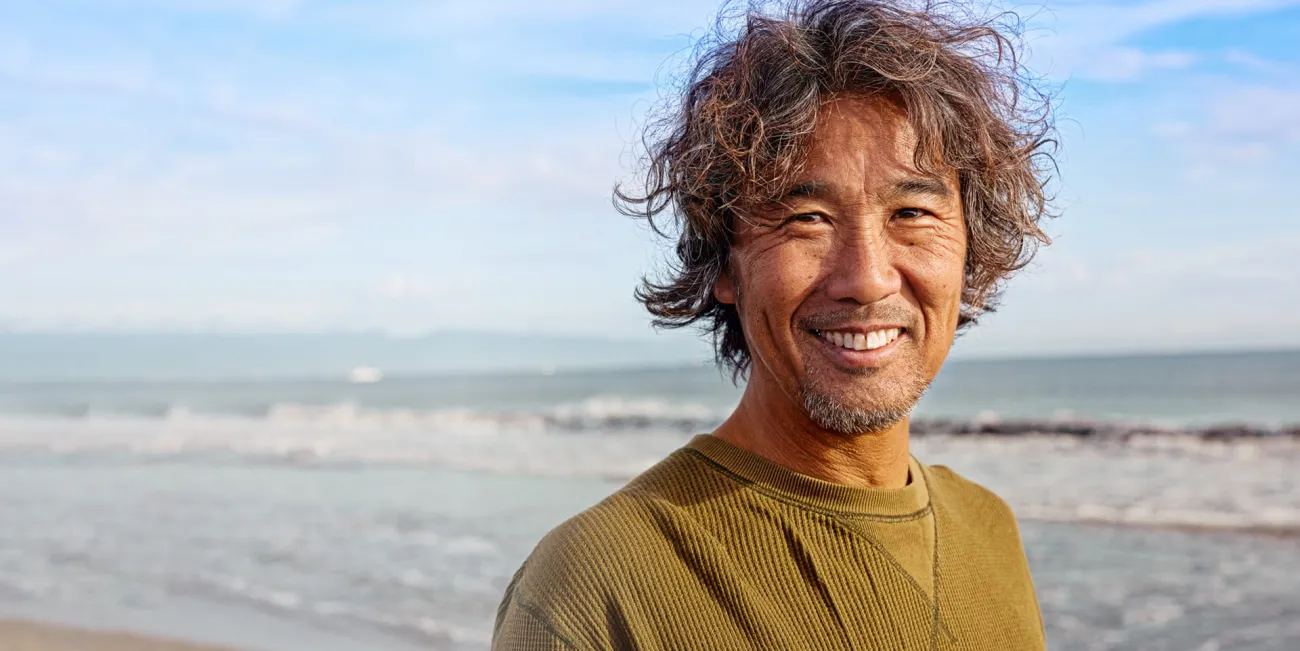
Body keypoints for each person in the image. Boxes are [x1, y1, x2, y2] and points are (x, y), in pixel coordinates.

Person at [494, 0, 1056, 648]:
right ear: (723, 261)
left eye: (911, 212)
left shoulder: (989, 528)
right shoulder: (597, 587)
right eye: (806, 218)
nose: (867, 277)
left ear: (969, 247)